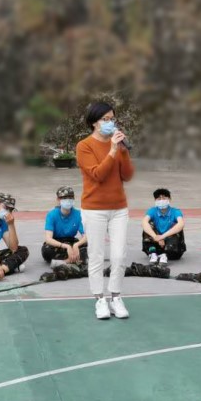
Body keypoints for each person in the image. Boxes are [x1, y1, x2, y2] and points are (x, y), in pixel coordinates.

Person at [77, 101, 135, 320]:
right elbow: (98, 175)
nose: (110, 123)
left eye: (112, 119)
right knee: (96, 255)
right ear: (94, 122)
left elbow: (127, 175)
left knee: (119, 255)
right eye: (105, 119)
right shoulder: (84, 146)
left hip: (119, 207)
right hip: (94, 209)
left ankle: (116, 297)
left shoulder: (117, 145)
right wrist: (111, 150)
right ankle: (99, 299)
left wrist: (122, 151)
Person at [42, 186, 87, 267]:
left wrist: (76, 245)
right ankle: (76, 259)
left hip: (72, 241)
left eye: (70, 197)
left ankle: (66, 261)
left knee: (89, 245)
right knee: (47, 250)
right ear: (58, 200)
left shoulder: (79, 214)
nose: (68, 200)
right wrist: (66, 246)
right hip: (57, 242)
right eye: (65, 198)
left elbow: (86, 236)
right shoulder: (52, 214)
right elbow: (48, 239)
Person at [141, 188, 186, 264]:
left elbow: (181, 224)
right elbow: (144, 222)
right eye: (159, 198)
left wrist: (162, 237)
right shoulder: (152, 211)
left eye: (164, 198)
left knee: (177, 226)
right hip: (157, 243)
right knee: (148, 225)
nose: (161, 200)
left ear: (169, 199)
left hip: (173, 248)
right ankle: (153, 253)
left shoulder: (175, 211)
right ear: (155, 200)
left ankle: (165, 255)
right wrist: (156, 237)